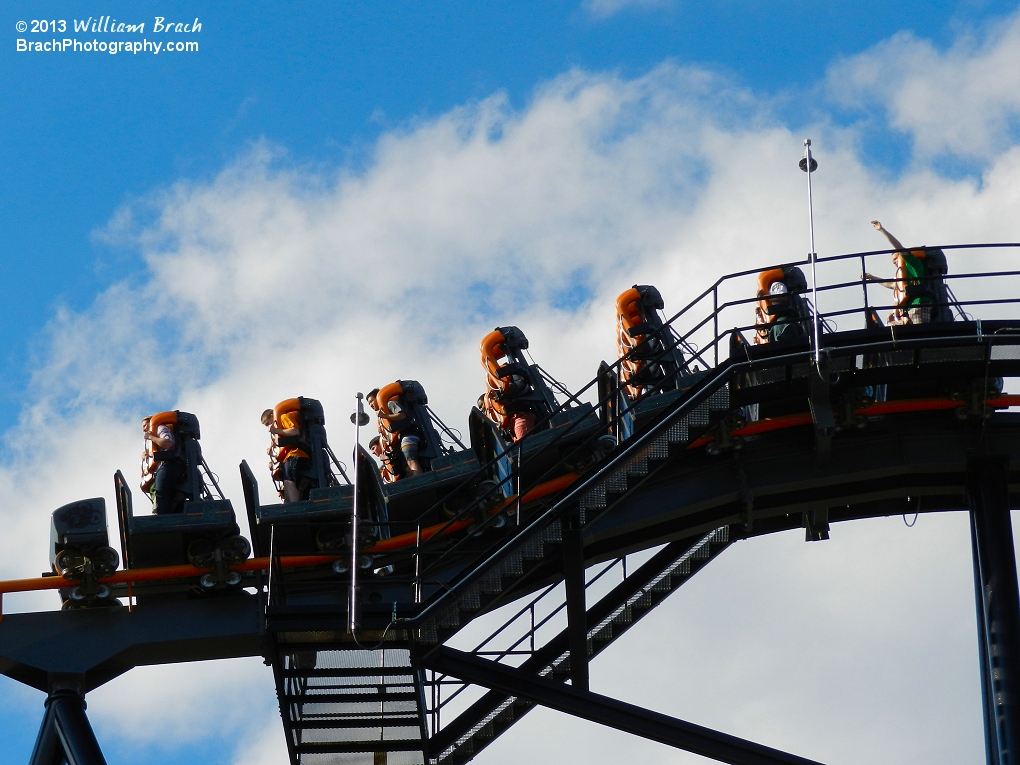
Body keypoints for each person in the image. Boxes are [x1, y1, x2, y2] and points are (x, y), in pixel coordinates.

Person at [865, 220, 934, 326]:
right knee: (893, 326)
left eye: (895, 258)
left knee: (919, 333)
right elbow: (891, 284)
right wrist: (872, 277)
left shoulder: (912, 263)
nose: (894, 262)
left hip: (919, 303)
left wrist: (882, 230)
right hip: (909, 309)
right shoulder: (901, 276)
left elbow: (898, 246)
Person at [367, 388, 424, 476]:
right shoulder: (380, 420)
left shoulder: (390, 404)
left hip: (408, 435)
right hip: (399, 441)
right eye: (369, 403)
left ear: (377, 398)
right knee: (407, 468)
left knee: (411, 460)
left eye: (371, 401)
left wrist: (385, 415)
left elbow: (402, 415)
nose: (371, 404)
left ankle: (421, 480)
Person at [262, 407, 310, 503]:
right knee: (286, 485)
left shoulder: (284, 417)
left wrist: (276, 431)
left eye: (268, 423)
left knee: (289, 481)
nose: (268, 429)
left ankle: (295, 507)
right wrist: (273, 458)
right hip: (288, 457)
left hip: (297, 454)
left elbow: (295, 431)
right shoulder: (277, 433)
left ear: (272, 416)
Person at [143, 415, 184, 515]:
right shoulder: (148, 441)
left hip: (169, 465)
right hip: (159, 470)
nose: (144, 429)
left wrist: (151, 437)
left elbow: (168, 443)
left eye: (145, 425)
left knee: (160, 495)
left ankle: (161, 518)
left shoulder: (159, 429)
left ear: (151, 422)